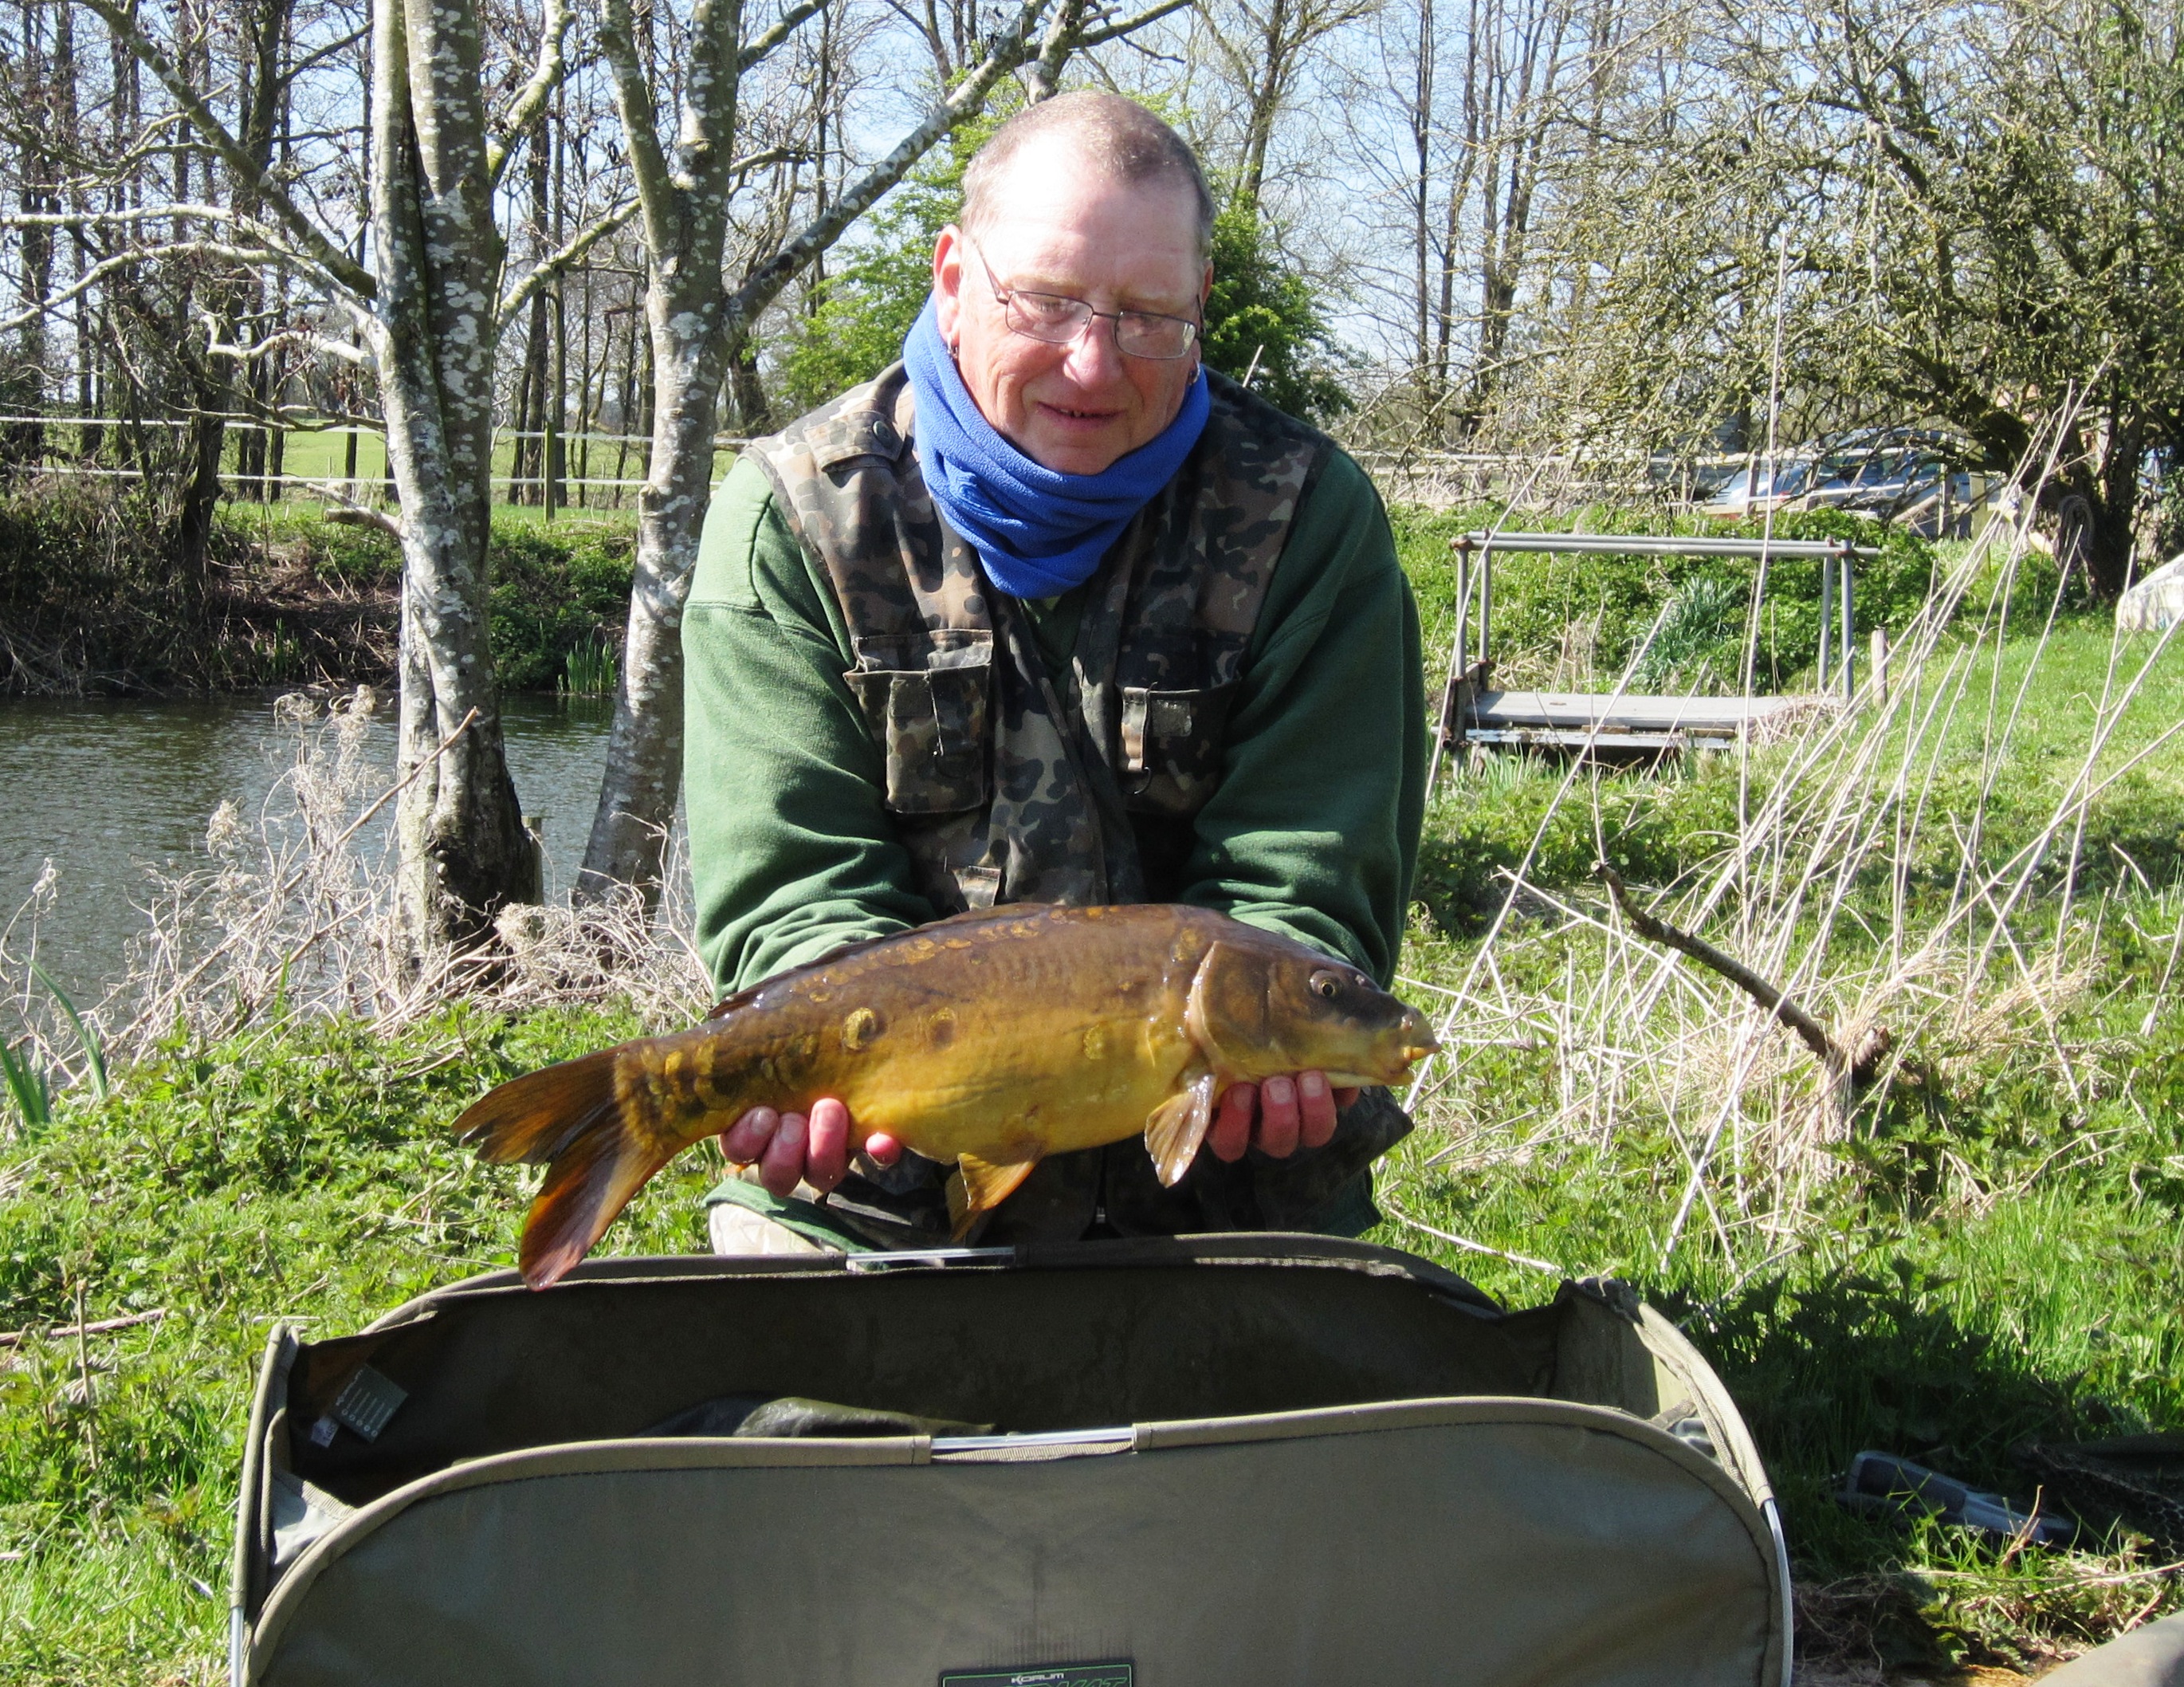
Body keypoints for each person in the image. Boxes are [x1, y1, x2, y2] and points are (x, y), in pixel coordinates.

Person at [682, 91, 1427, 1252]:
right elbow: (795, 888)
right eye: (1046, 300)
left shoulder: (1305, 518)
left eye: (1148, 316)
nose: (1093, 361)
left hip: (1226, 1181)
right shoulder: (794, 518)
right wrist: (813, 1067)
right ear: (953, 280)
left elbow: (1305, 881)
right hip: (879, 1186)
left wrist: (1279, 1028)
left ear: (1200, 308)